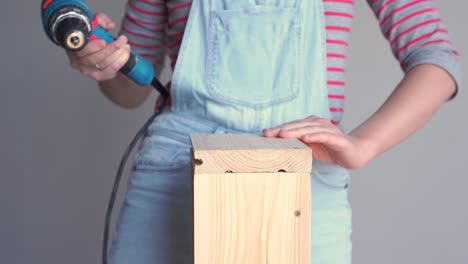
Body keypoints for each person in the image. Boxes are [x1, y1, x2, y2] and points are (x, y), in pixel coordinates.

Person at [66, 0, 460, 263]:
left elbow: (434, 54)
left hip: (305, 180)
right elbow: (133, 86)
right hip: (172, 175)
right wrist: (103, 61)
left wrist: (364, 144)